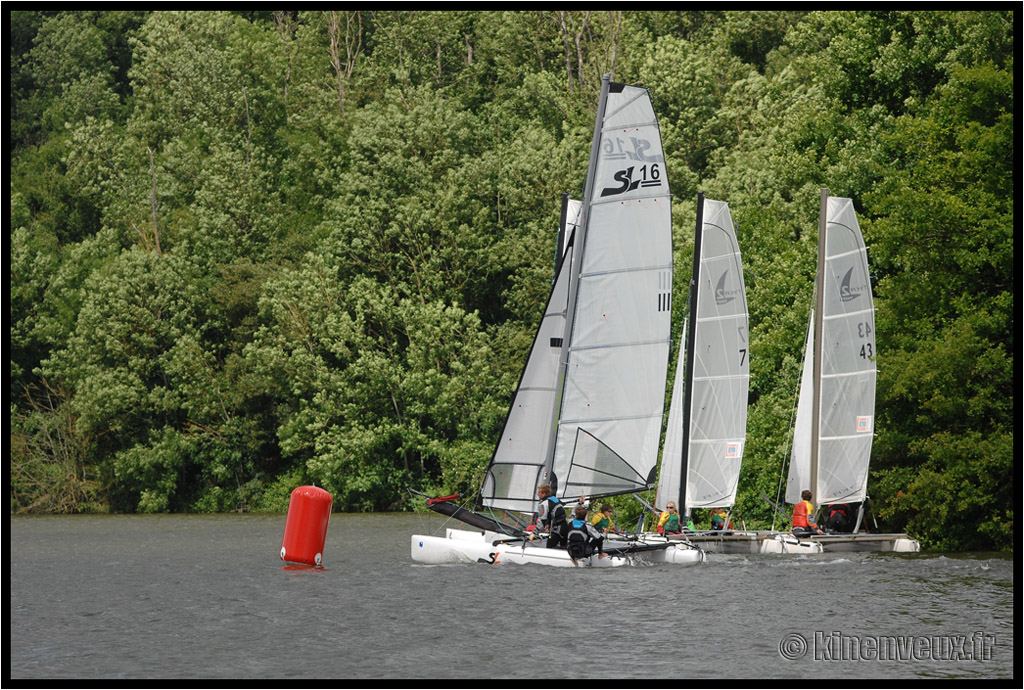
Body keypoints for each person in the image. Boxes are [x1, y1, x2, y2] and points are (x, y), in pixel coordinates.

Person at [531, 483, 567, 548]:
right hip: (564, 527)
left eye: (539, 492)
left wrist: (534, 533)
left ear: (544, 493)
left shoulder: (544, 504)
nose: (537, 494)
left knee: (549, 548)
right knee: (563, 547)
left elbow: (542, 521)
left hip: (556, 530)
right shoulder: (555, 499)